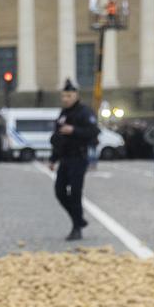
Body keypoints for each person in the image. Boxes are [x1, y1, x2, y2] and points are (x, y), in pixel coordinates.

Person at [49, 79, 100, 241]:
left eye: (69, 96)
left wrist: (74, 130)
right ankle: (79, 219)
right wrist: (53, 159)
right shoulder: (63, 114)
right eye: (64, 96)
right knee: (60, 191)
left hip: (79, 157)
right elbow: (58, 138)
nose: (65, 99)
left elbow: (93, 131)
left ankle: (76, 227)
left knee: (76, 193)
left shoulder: (85, 112)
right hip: (64, 158)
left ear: (76, 96)